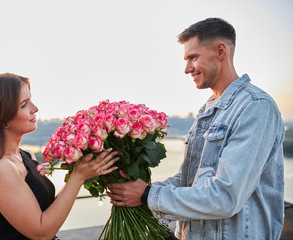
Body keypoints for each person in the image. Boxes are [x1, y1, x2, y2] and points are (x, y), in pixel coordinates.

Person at [107, 18, 285, 239]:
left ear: (220, 51)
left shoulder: (256, 107)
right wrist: (137, 189)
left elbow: (225, 197)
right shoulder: (207, 112)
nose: (186, 68)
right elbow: (187, 180)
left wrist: (146, 194)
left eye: (193, 57)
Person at [0, 73, 119, 240]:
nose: (35, 108)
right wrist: (78, 177)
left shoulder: (25, 156)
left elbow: (47, 213)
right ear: (1, 118)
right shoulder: (0, 169)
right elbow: (41, 233)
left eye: (30, 100)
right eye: (24, 105)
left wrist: (83, 170)